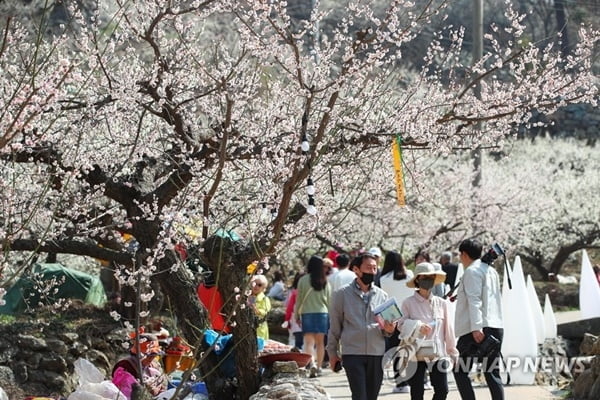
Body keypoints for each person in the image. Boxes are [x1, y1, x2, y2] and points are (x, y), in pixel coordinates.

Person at [327, 253, 397, 400]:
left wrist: (389, 330)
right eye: (368, 268)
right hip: (352, 352)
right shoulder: (341, 294)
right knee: (359, 396)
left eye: (374, 268)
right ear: (356, 270)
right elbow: (335, 326)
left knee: (372, 396)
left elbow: (388, 328)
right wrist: (332, 354)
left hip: (376, 353)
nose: (372, 272)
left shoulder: (382, 295)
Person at [397, 262, 458, 400]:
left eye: (431, 277)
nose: (428, 280)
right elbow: (400, 325)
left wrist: (453, 352)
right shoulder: (408, 303)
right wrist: (418, 326)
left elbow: (448, 329)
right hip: (415, 352)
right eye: (425, 277)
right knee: (417, 392)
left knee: (442, 390)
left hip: (438, 353)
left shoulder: (441, 303)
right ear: (417, 279)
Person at [453, 238, 504, 400]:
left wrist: (476, 327)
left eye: (460, 255)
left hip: (476, 328)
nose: (460, 259)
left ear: (465, 254)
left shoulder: (471, 271)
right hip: (495, 325)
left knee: (460, 370)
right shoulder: (491, 271)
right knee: (492, 372)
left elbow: (474, 300)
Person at [378, 251, 414, 394]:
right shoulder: (410, 275)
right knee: (410, 349)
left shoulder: (383, 279)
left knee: (395, 350)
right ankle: (414, 379)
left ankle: (400, 382)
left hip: (391, 316)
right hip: (409, 315)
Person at [294, 255, 331, 377]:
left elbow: (299, 299)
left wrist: (297, 315)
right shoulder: (325, 280)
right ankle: (319, 367)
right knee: (320, 343)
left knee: (308, 342)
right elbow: (329, 300)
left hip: (307, 313)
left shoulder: (303, 280)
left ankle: (312, 364)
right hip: (322, 313)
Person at [284, 271, 306, 350]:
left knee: (297, 341)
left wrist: (287, 319)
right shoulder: (311, 292)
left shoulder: (293, 292)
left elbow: (288, 306)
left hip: (295, 321)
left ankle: (297, 357)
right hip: (308, 321)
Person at [249, 274, 272, 340]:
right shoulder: (247, 296)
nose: (256, 286)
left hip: (259, 330)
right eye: (255, 283)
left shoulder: (264, 299)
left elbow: (265, 312)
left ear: (264, 288)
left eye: (259, 285)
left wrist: (255, 309)